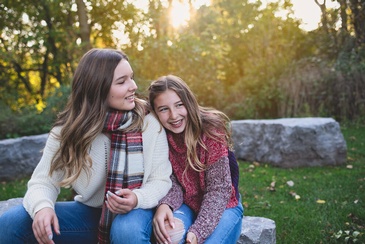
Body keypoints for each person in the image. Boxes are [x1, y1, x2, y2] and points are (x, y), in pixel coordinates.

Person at [0, 48, 172, 244]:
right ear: (97, 88)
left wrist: (137, 198)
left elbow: (161, 180)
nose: (133, 86)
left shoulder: (148, 122)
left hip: (138, 211)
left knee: (126, 230)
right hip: (91, 215)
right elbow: (43, 182)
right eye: (122, 82)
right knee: (9, 223)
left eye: (131, 78)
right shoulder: (67, 131)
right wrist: (42, 207)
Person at [148, 75, 243, 244]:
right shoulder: (160, 136)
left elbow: (220, 190)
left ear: (188, 102)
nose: (173, 115)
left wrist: (198, 231)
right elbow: (172, 182)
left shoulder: (210, 131)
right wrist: (166, 204)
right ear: (155, 112)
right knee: (169, 234)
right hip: (187, 204)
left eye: (179, 105)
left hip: (223, 206)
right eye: (163, 109)